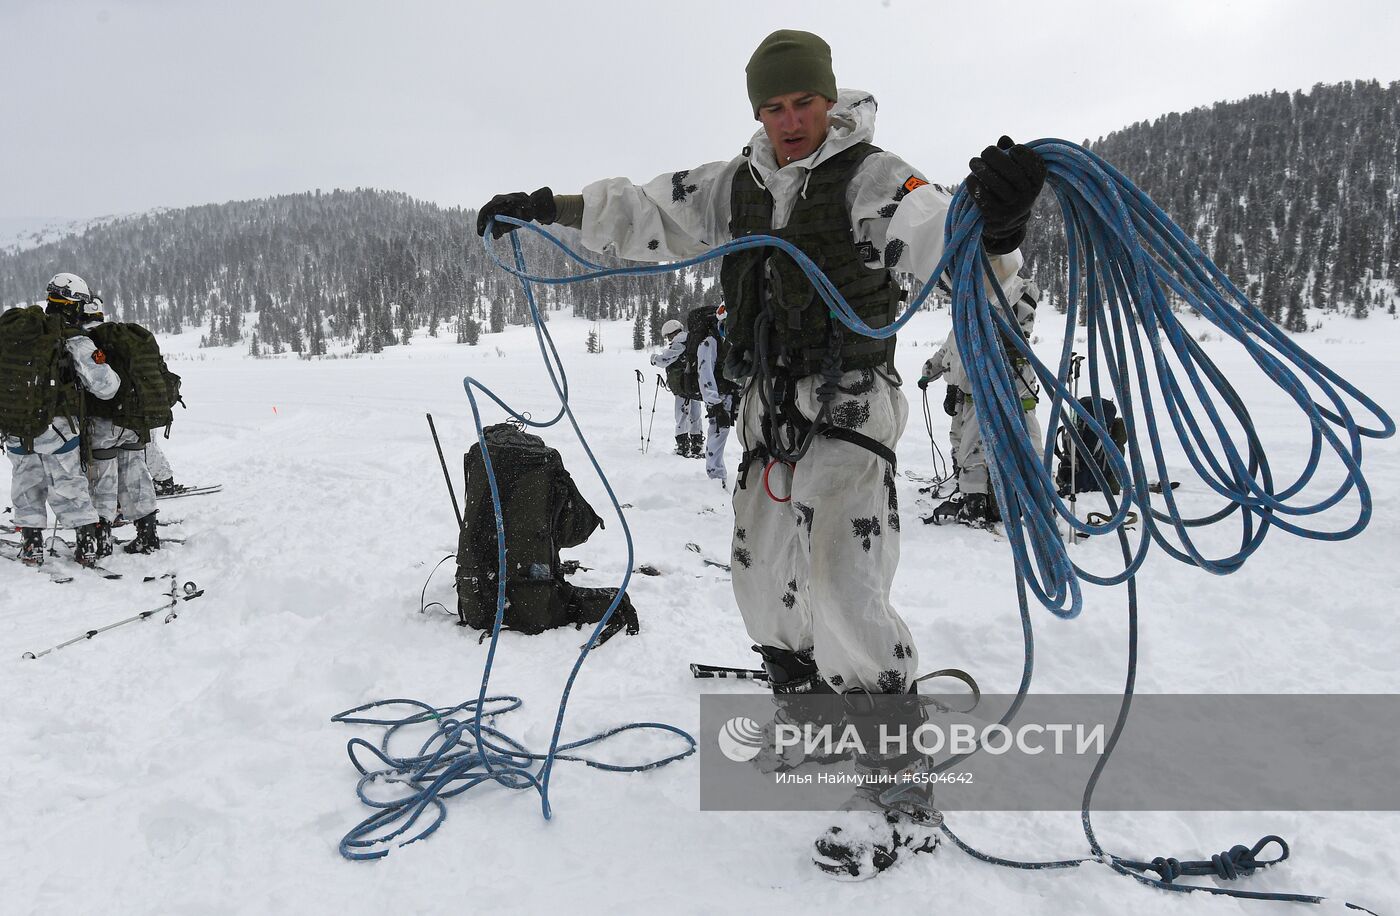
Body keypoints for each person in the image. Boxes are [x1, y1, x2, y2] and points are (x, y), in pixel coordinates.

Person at [476, 28, 1045, 878]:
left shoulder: (879, 180)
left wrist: (996, 228)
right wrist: (550, 207)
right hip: (762, 416)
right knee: (758, 580)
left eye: (802, 103)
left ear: (829, 97)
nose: (788, 120)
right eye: (773, 106)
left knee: (843, 586)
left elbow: (947, 247)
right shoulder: (732, 186)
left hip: (849, 414)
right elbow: (643, 208)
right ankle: (809, 712)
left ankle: (897, 782)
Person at [1, 273, 120, 566]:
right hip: (58, 427)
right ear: (72, 306)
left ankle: (31, 546)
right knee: (68, 485)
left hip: (16, 426)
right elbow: (107, 388)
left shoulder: (20, 335)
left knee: (26, 483)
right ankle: (86, 545)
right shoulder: (74, 339)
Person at [921, 279, 1044, 526]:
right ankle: (1036, 495)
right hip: (1007, 382)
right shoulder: (966, 324)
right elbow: (946, 354)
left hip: (989, 382)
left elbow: (951, 355)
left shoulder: (985, 307)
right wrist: (929, 373)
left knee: (975, 444)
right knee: (1022, 438)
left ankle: (977, 502)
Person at [79, 294, 162, 555]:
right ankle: (147, 535)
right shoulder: (123, 336)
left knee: (102, 480)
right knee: (136, 476)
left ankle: (101, 539)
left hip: (103, 421)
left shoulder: (83, 341)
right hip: (135, 420)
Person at [649, 318, 704, 458]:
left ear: (671, 332)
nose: (668, 339)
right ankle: (697, 446)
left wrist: (654, 358)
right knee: (695, 415)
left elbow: (665, 360)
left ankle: (683, 447)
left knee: (681, 416)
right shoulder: (692, 340)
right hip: (695, 383)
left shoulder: (679, 342)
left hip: (683, 385)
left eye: (668, 336)